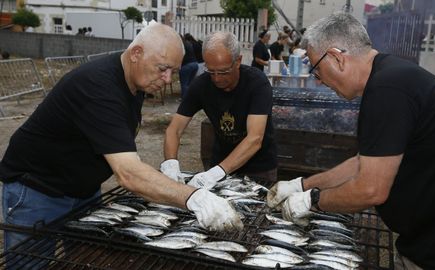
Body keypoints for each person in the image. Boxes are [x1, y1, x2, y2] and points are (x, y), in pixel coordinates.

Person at [0, 23, 243, 255]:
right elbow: (128, 173)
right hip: (37, 190)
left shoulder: (134, 82)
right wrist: (193, 197)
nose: (168, 79)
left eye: (174, 72)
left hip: (83, 189)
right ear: (136, 53)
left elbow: (120, 145)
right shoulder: (98, 87)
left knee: (85, 258)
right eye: (162, 68)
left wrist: (164, 176)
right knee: (33, 263)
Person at [267, 13, 435, 270]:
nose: (318, 80)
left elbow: (371, 189)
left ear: (336, 57)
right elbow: (362, 164)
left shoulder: (387, 90)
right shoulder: (391, 77)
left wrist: (312, 200)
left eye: (316, 70)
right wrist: (301, 185)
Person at [161, 31, 278, 190]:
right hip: (220, 159)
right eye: (211, 71)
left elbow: (255, 139)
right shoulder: (201, 85)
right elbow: (174, 129)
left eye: (223, 72)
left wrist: (215, 173)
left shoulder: (257, 83)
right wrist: (170, 165)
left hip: (259, 167)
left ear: (238, 61)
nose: (216, 78)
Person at [179, 35, 199, 99]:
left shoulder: (181, 45)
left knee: (184, 84)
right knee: (190, 84)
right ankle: (191, 98)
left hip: (187, 65)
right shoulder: (188, 43)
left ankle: (185, 99)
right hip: (195, 64)